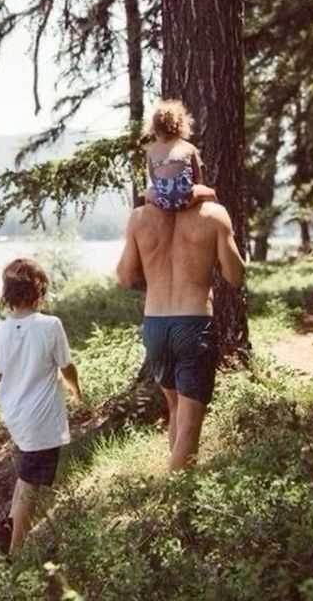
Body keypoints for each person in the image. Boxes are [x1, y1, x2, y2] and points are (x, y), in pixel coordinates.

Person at [116, 198, 245, 472]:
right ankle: (174, 500)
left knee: (176, 409)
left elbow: (125, 278)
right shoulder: (213, 215)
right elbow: (235, 275)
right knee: (190, 425)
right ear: (195, 173)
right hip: (193, 322)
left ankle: (180, 487)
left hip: (156, 326)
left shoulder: (139, 217)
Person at [0, 258, 82, 554]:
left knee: (25, 477)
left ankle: (9, 527)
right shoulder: (49, 325)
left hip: (15, 415)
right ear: (38, 290)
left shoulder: (3, 330)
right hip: (40, 419)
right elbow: (66, 366)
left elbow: (1, 372)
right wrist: (76, 391)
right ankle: (16, 554)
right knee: (30, 484)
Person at [144, 99, 206, 210]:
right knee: (210, 193)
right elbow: (198, 179)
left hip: (162, 199)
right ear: (181, 125)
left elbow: (153, 179)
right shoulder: (189, 148)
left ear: (155, 129)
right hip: (186, 198)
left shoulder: (151, 150)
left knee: (146, 194)